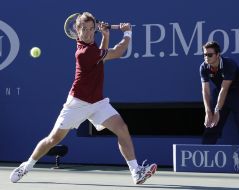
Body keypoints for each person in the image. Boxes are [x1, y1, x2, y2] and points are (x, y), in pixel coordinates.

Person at [10, 12, 157, 184]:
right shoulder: (83, 53)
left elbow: (102, 59)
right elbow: (117, 53)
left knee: (122, 128)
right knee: (53, 139)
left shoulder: (93, 50)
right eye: (84, 29)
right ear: (77, 31)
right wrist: (127, 33)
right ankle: (26, 166)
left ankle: (136, 172)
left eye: (91, 29)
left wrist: (106, 35)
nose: (88, 33)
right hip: (77, 103)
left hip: (97, 102)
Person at [199, 41, 239, 171]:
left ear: (218, 55)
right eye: (205, 54)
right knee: (211, 125)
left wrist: (217, 110)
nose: (206, 57)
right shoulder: (203, 67)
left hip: (238, 94)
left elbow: (225, 88)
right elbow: (205, 91)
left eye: (210, 54)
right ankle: (203, 158)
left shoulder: (229, 64)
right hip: (220, 93)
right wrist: (208, 112)